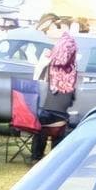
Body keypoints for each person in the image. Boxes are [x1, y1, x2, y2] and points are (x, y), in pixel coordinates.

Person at [29, 20, 78, 160]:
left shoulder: (67, 42)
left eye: (48, 30)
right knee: (46, 120)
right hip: (57, 87)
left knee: (52, 120)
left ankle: (48, 156)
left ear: (59, 28)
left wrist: (48, 57)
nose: (47, 34)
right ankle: (40, 155)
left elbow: (61, 61)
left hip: (62, 89)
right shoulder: (62, 43)